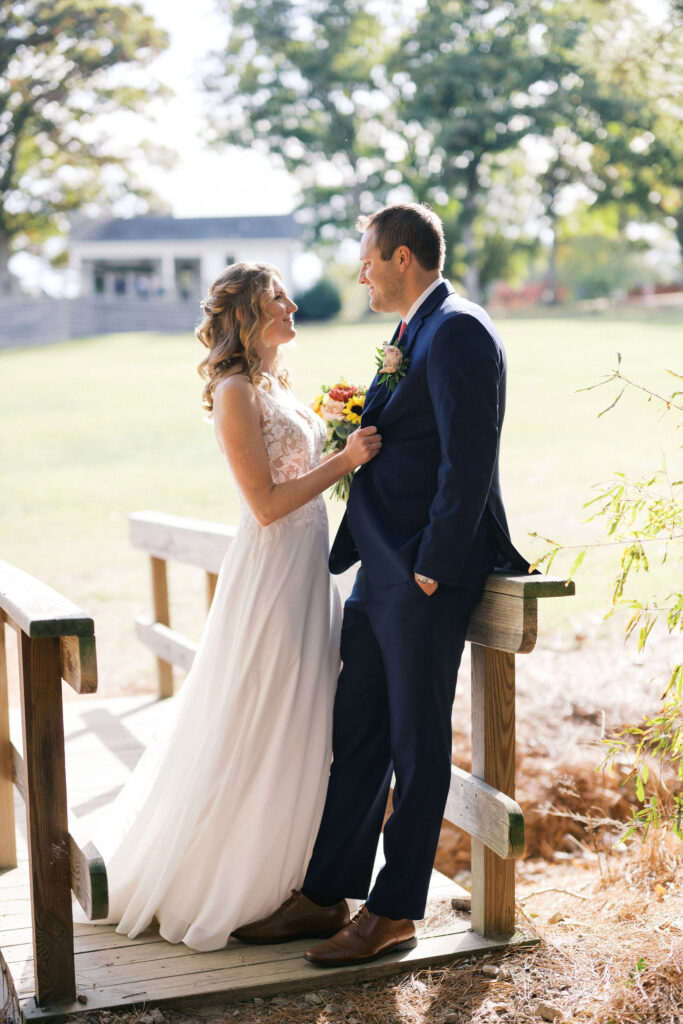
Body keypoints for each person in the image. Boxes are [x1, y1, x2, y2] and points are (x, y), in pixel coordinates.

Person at [233, 203, 530, 965]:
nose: (359, 273)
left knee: (414, 742)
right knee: (356, 730)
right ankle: (326, 893)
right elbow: (410, 434)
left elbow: (469, 458)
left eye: (367, 259)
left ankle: (394, 911)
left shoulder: (458, 327)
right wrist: (354, 420)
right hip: (378, 567)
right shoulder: (411, 332)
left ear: (402, 258)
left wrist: (433, 562)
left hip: (422, 574)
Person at [84, 262, 381, 951]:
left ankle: (295, 877)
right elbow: (267, 503)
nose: (293, 303)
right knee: (263, 707)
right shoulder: (235, 391)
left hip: (308, 572)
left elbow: (294, 472)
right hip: (273, 574)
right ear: (249, 312)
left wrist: (338, 429)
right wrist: (349, 459)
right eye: (279, 296)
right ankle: (235, 879)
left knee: (303, 712)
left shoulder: (275, 385)